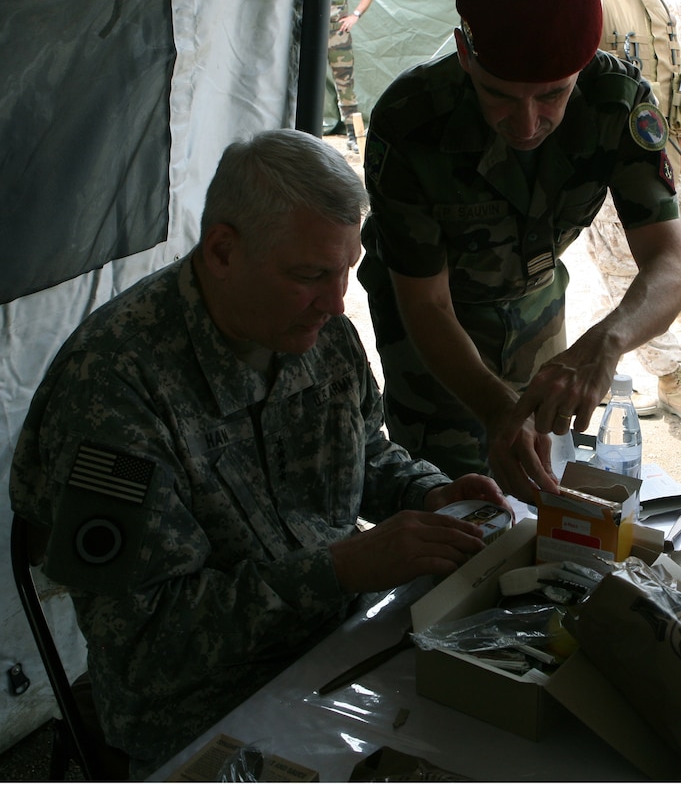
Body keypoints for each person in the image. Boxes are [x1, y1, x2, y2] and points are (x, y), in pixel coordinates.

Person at [9, 128, 510, 779]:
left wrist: (424, 492)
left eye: (345, 272)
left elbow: (364, 453)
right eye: (309, 275)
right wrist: (338, 570)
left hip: (340, 641)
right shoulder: (113, 394)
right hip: (202, 703)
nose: (335, 302)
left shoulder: (316, 331)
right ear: (221, 251)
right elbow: (146, 645)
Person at [358, 0, 681, 505]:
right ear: (464, 52)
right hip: (434, 329)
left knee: (545, 482)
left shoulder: (615, 101)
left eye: (553, 95)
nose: (528, 123)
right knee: (459, 496)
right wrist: (497, 410)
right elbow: (425, 305)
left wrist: (605, 343)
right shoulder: (412, 124)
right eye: (500, 96)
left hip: (535, 303)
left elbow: (672, 261)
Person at [585, 0, 681, 418]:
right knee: (632, 272)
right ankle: (672, 377)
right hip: (614, 176)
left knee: (624, 274)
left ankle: (594, 364)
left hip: (662, 164)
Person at [329, 0, 374, 152]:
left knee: (345, 85)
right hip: (306, 34)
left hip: (337, 35)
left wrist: (355, 15)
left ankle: (352, 136)